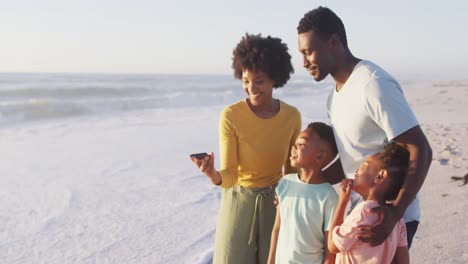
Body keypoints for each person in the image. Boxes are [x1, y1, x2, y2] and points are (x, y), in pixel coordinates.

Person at [297, 6, 432, 248]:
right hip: (359, 216)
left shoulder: (372, 84)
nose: (304, 62)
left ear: (333, 42)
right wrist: (304, 186)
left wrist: (395, 213)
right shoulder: (334, 97)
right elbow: (352, 155)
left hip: (387, 218)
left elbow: (420, 148)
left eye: (309, 52)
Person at [191, 33, 301, 264]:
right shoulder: (231, 115)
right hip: (239, 204)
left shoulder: (292, 117)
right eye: (245, 80)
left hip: (276, 203)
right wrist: (213, 174)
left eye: (259, 80)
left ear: (275, 78)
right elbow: (230, 175)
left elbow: (291, 173)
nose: (251, 88)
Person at [268, 122, 339, 264]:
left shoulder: (329, 196)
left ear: (319, 156)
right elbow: (277, 228)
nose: (294, 148)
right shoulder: (285, 183)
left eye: (302, 145)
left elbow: (329, 248)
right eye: (295, 143)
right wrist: (270, 261)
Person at [328, 143, 410, 264]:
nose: (356, 170)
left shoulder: (362, 212)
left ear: (380, 176)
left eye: (363, 166)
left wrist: (342, 202)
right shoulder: (397, 220)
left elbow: (333, 246)